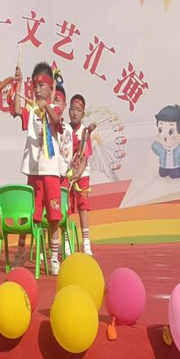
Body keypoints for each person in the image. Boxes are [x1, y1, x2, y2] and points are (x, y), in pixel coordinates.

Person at [12, 62, 64, 275]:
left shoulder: (55, 107)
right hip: (34, 171)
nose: (37, 89)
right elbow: (16, 110)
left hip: (50, 170)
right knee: (29, 215)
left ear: (51, 88)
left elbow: (56, 119)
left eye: (41, 85)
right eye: (34, 86)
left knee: (53, 216)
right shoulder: (31, 109)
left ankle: (54, 256)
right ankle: (21, 251)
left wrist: (46, 106)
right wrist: (17, 83)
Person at [69, 94, 96, 256]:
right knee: (65, 208)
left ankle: (86, 242)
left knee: (82, 206)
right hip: (68, 175)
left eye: (78, 110)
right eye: (72, 109)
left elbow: (84, 159)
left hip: (81, 175)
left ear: (83, 114)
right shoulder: (65, 130)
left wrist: (77, 175)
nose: (75, 113)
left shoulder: (85, 133)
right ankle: (66, 241)